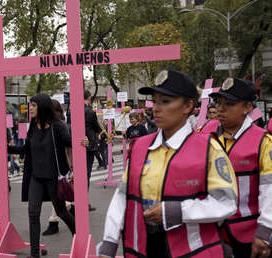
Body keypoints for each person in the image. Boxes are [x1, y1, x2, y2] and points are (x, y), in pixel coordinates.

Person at [98, 70, 238, 258]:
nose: (156, 108)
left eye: (165, 101)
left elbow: (226, 202)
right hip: (142, 248)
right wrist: (109, 241)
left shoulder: (208, 148)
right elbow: (122, 196)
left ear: (188, 105)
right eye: (154, 101)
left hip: (192, 251)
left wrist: (177, 211)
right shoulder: (140, 146)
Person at [4, 93, 87, 258]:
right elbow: (26, 149)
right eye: (30, 105)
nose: (30, 108)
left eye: (33, 105)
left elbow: (71, 142)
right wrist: (6, 147)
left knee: (62, 211)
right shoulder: (33, 126)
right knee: (33, 214)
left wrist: (83, 141)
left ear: (41, 106)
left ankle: (81, 241)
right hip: (36, 177)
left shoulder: (58, 126)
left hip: (54, 179)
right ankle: (34, 254)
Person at [204, 77, 272, 258]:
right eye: (219, 102)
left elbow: (269, 189)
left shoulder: (262, 141)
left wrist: (265, 231)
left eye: (230, 104)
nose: (221, 108)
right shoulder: (206, 135)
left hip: (248, 234)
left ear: (247, 107)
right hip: (209, 233)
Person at [41, 99, 75, 236]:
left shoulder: (61, 125)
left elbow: (69, 146)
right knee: (60, 198)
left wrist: (72, 166)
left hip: (61, 167)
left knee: (59, 197)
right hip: (57, 167)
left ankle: (54, 222)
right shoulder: (51, 124)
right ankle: (66, 212)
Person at [84, 90, 103, 211]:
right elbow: (97, 128)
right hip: (89, 146)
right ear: (89, 98)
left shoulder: (72, 111)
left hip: (75, 145)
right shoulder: (90, 112)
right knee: (86, 175)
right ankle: (84, 202)